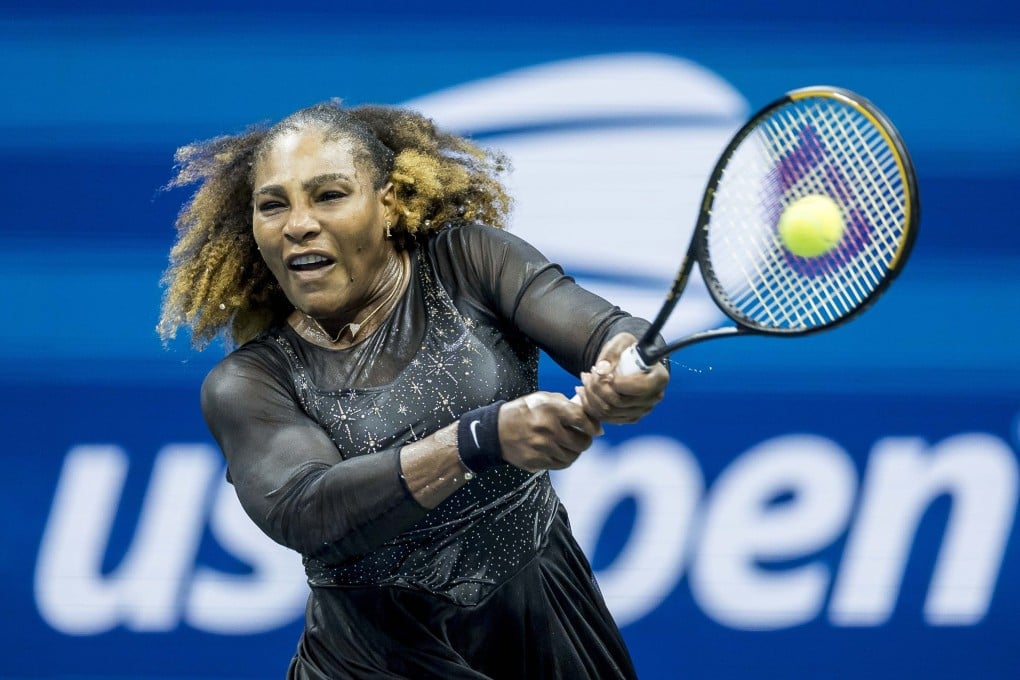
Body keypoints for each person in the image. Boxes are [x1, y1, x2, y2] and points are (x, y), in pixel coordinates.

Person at [158, 100, 669, 680]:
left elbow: (604, 330)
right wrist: (482, 438)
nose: (298, 223)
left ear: (388, 202)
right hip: (372, 661)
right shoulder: (248, 383)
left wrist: (628, 365)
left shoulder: (471, 261)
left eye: (329, 195)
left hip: (545, 622)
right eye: (273, 205)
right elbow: (309, 511)